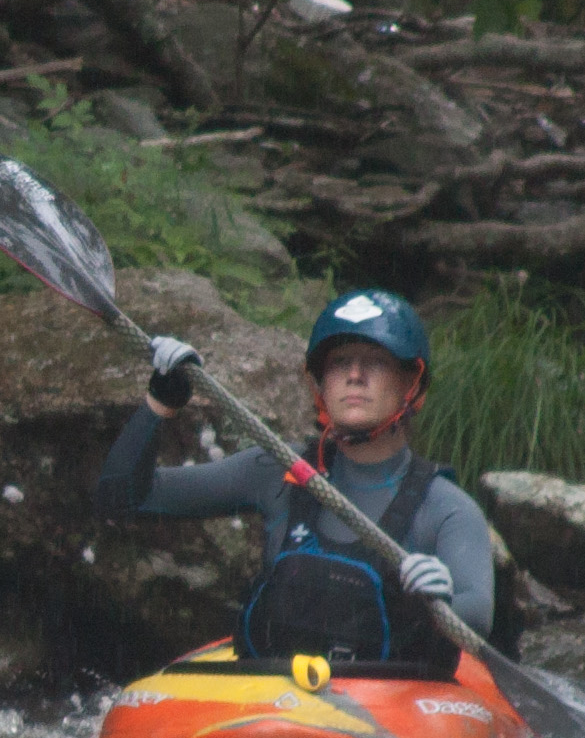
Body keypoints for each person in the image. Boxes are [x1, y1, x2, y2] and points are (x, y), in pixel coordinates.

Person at [91, 288, 500, 675]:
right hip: (272, 698)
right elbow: (121, 497)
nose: (354, 375)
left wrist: (442, 602)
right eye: (339, 363)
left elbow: (477, 618)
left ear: (412, 385)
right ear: (320, 385)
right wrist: (159, 402)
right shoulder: (277, 469)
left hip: (390, 704)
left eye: (375, 362)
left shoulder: (446, 507)